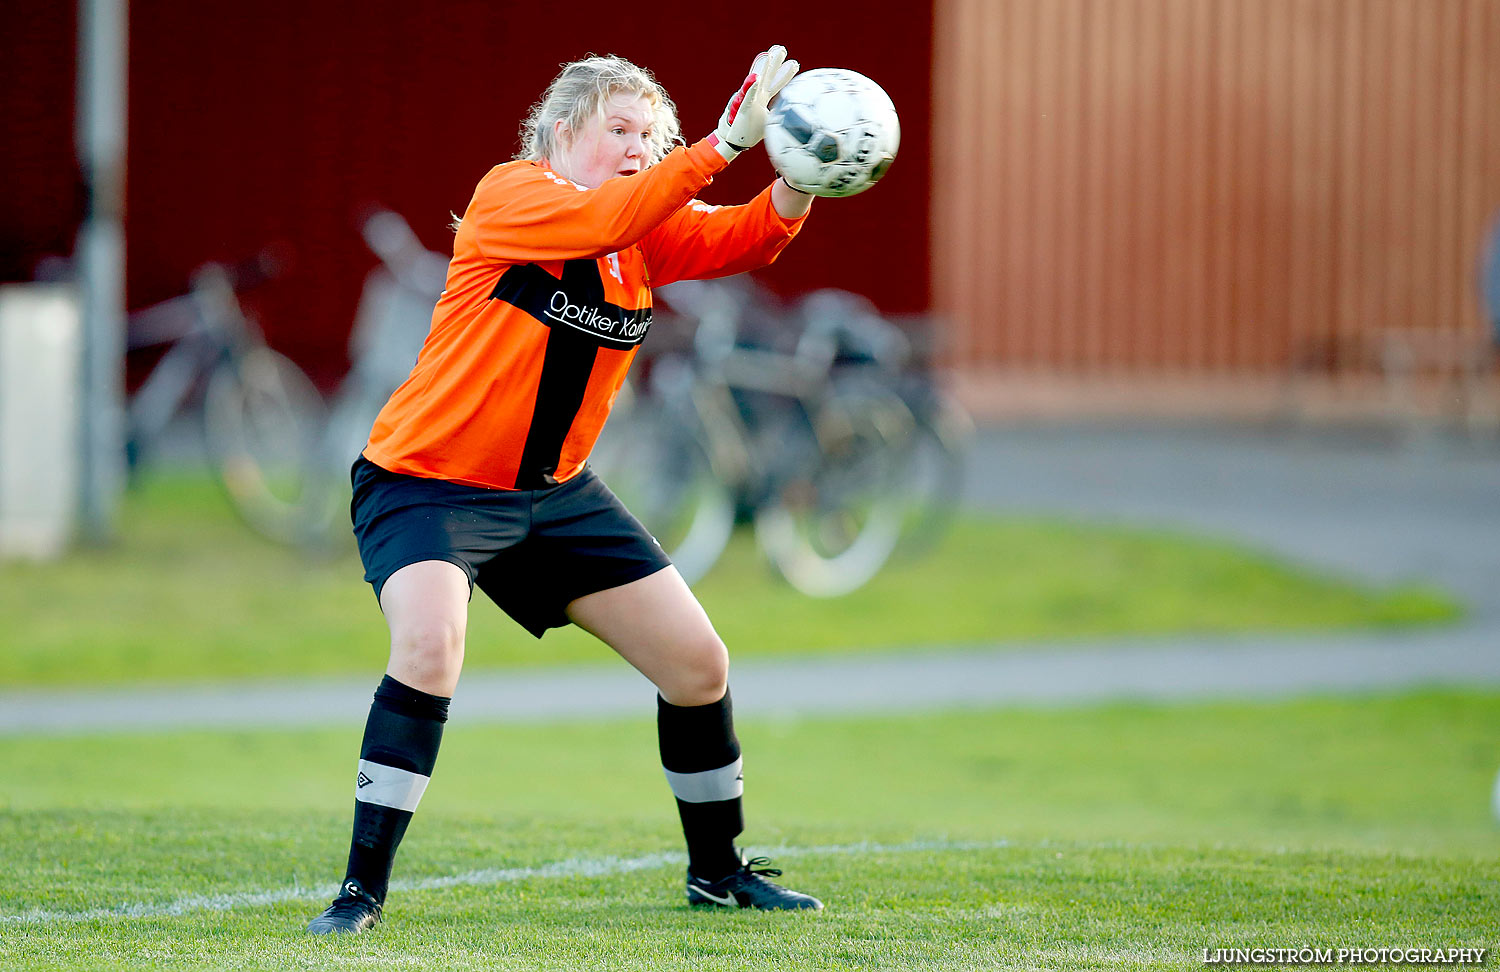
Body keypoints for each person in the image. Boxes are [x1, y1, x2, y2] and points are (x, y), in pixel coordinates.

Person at [307, 46, 823, 935]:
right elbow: (607, 217)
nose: (637, 147)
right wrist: (718, 142)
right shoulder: (515, 195)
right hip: (428, 484)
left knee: (699, 666)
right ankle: (360, 893)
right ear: (560, 134)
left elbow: (745, 235)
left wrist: (805, 170)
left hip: (553, 496)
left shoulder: (639, 234)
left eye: (649, 137)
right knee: (430, 648)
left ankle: (718, 873)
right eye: (617, 129)